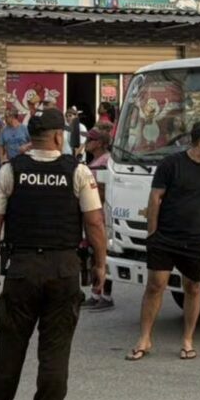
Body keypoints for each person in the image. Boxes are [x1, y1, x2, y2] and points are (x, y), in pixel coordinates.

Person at [0, 108, 107, 400]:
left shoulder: (11, 170)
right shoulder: (77, 171)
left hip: (22, 269)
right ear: (59, 136)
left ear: (31, 137)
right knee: (54, 354)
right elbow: (94, 223)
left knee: (9, 350)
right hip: (63, 269)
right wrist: (100, 265)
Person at [127, 121, 200, 362]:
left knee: (193, 288)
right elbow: (155, 197)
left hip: (196, 240)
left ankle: (187, 340)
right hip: (165, 238)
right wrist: (152, 234)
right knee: (155, 285)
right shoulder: (171, 164)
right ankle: (144, 339)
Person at [84, 124, 115, 311]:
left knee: (103, 255)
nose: (87, 142)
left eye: (91, 139)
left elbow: (103, 191)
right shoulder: (95, 161)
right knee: (94, 256)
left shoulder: (105, 161)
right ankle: (95, 293)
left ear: (100, 143)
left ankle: (106, 295)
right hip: (93, 214)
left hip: (102, 216)